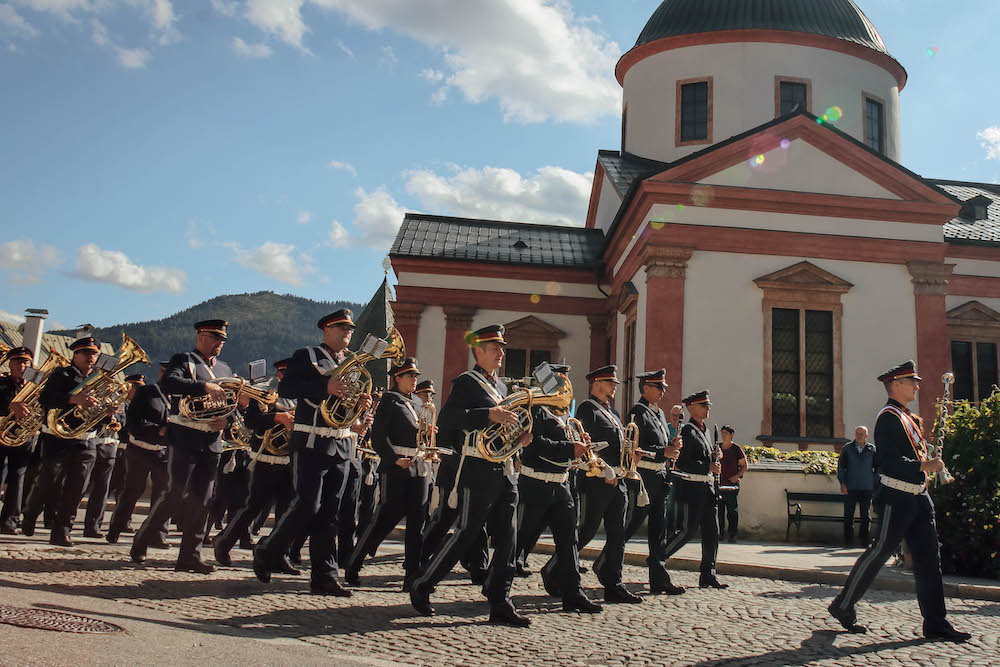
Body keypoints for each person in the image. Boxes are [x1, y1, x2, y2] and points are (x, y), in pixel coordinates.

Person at [829, 361, 970, 642]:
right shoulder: (888, 417)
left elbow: (914, 454)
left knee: (930, 559)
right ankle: (843, 605)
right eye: (912, 381)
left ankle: (936, 622)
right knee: (879, 552)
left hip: (918, 497)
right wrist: (922, 465)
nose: (917, 386)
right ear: (896, 385)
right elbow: (889, 462)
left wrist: (929, 464)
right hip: (896, 496)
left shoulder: (907, 417)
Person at [410, 324, 532, 626]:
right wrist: (486, 414)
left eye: (502, 348)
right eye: (495, 348)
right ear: (478, 351)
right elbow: (449, 419)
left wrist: (520, 439)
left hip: (504, 469)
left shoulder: (503, 388)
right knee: (466, 532)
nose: (502, 353)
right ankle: (423, 583)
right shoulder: (466, 383)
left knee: (508, 538)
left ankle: (500, 598)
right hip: (476, 468)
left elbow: (504, 429)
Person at [253, 309, 372, 597]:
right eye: (342, 328)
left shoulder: (350, 362)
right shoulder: (307, 355)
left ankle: (324, 576)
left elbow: (347, 401)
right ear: (326, 329)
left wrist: (360, 404)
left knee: (331, 514)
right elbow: (288, 387)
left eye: (350, 329)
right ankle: (268, 550)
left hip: (342, 443)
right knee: (308, 504)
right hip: (312, 441)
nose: (348, 333)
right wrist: (325, 386)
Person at [130, 319, 240, 573]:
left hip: (211, 442)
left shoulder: (224, 368)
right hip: (185, 436)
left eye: (222, 339)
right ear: (201, 336)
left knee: (204, 500)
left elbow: (231, 402)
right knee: (176, 494)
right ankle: (143, 538)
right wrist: (203, 386)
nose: (219, 343)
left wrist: (226, 420)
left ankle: (190, 556)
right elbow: (169, 382)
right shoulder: (184, 360)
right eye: (214, 338)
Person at [544, 365, 643, 604]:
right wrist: (602, 469)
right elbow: (583, 444)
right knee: (586, 531)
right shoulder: (588, 409)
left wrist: (631, 458)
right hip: (595, 480)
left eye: (614, 384)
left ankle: (614, 584)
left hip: (617, 479)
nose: (613, 388)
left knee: (617, 535)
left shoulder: (615, 414)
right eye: (610, 383)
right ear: (596, 384)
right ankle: (553, 570)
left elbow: (618, 446)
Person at [515, 363, 603, 613]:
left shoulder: (563, 414)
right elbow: (535, 445)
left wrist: (581, 444)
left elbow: (565, 444)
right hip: (536, 484)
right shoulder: (533, 409)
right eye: (559, 381)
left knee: (569, 540)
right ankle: (496, 585)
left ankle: (573, 593)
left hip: (561, 484)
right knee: (522, 538)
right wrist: (568, 448)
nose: (564, 387)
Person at [344, 358, 430, 591]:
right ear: (397, 378)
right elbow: (379, 437)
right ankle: (354, 562)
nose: (414, 380)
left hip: (417, 465)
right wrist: (393, 460)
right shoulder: (390, 403)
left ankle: (412, 575)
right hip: (396, 467)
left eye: (415, 376)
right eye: (410, 376)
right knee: (385, 519)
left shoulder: (413, 403)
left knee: (417, 522)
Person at [214, 358, 297, 570]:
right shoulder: (262, 393)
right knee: (253, 507)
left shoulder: (296, 397)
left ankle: (279, 555)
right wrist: (278, 417)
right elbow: (251, 420)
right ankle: (224, 542)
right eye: (286, 373)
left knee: (286, 511)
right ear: (279, 374)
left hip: (288, 459)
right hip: (266, 459)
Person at [660, 390, 728, 592]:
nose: (707, 409)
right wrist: (707, 466)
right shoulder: (688, 431)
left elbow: (706, 458)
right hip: (692, 488)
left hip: (707, 488)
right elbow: (682, 462)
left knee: (712, 532)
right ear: (692, 408)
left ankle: (708, 574)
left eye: (708, 406)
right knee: (687, 531)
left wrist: (716, 457)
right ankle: (658, 558)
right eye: (703, 405)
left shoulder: (706, 431)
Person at [624, 369, 682, 594]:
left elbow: (659, 444)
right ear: (646, 388)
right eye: (660, 387)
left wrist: (671, 446)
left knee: (659, 530)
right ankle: (607, 564)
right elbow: (634, 447)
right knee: (631, 525)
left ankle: (659, 578)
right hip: (644, 476)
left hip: (659, 475)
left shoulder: (657, 413)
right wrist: (663, 451)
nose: (663, 391)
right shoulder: (637, 412)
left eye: (664, 387)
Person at [107, 363, 170, 545]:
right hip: (139, 450)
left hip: (163, 453)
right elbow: (132, 421)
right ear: (161, 374)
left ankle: (158, 535)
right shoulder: (146, 392)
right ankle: (115, 530)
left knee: (162, 494)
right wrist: (157, 431)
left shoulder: (177, 397)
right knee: (132, 491)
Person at [83, 374, 143, 538]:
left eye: (138, 388)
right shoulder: (118, 400)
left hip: (111, 445)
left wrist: (113, 417)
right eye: (133, 387)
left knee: (104, 489)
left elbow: (122, 421)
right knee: (82, 485)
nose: (135, 391)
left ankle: (94, 525)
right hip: (92, 441)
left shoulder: (124, 405)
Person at [0, 347, 34, 534]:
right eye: (17, 362)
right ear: (10, 364)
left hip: (22, 437)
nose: (21, 366)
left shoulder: (34, 386)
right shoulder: (1, 382)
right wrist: (9, 404)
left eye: (25, 362)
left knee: (18, 478)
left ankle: (10, 521)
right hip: (1, 434)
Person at [838, 426, 877, 546]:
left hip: (867, 487)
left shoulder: (872, 449)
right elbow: (841, 467)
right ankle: (848, 541)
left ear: (866, 436)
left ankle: (864, 541)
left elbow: (878, 468)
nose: (859, 436)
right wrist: (843, 483)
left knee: (865, 516)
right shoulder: (847, 449)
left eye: (862, 434)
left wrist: (874, 482)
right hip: (851, 486)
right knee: (848, 515)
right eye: (857, 433)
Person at [717, 425, 747, 543]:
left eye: (726, 433)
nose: (724, 435)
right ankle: (719, 533)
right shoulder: (718, 448)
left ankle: (732, 533)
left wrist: (737, 476)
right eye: (722, 433)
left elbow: (745, 465)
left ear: (731, 435)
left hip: (731, 485)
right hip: (719, 483)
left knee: (732, 511)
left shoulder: (736, 449)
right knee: (719, 511)